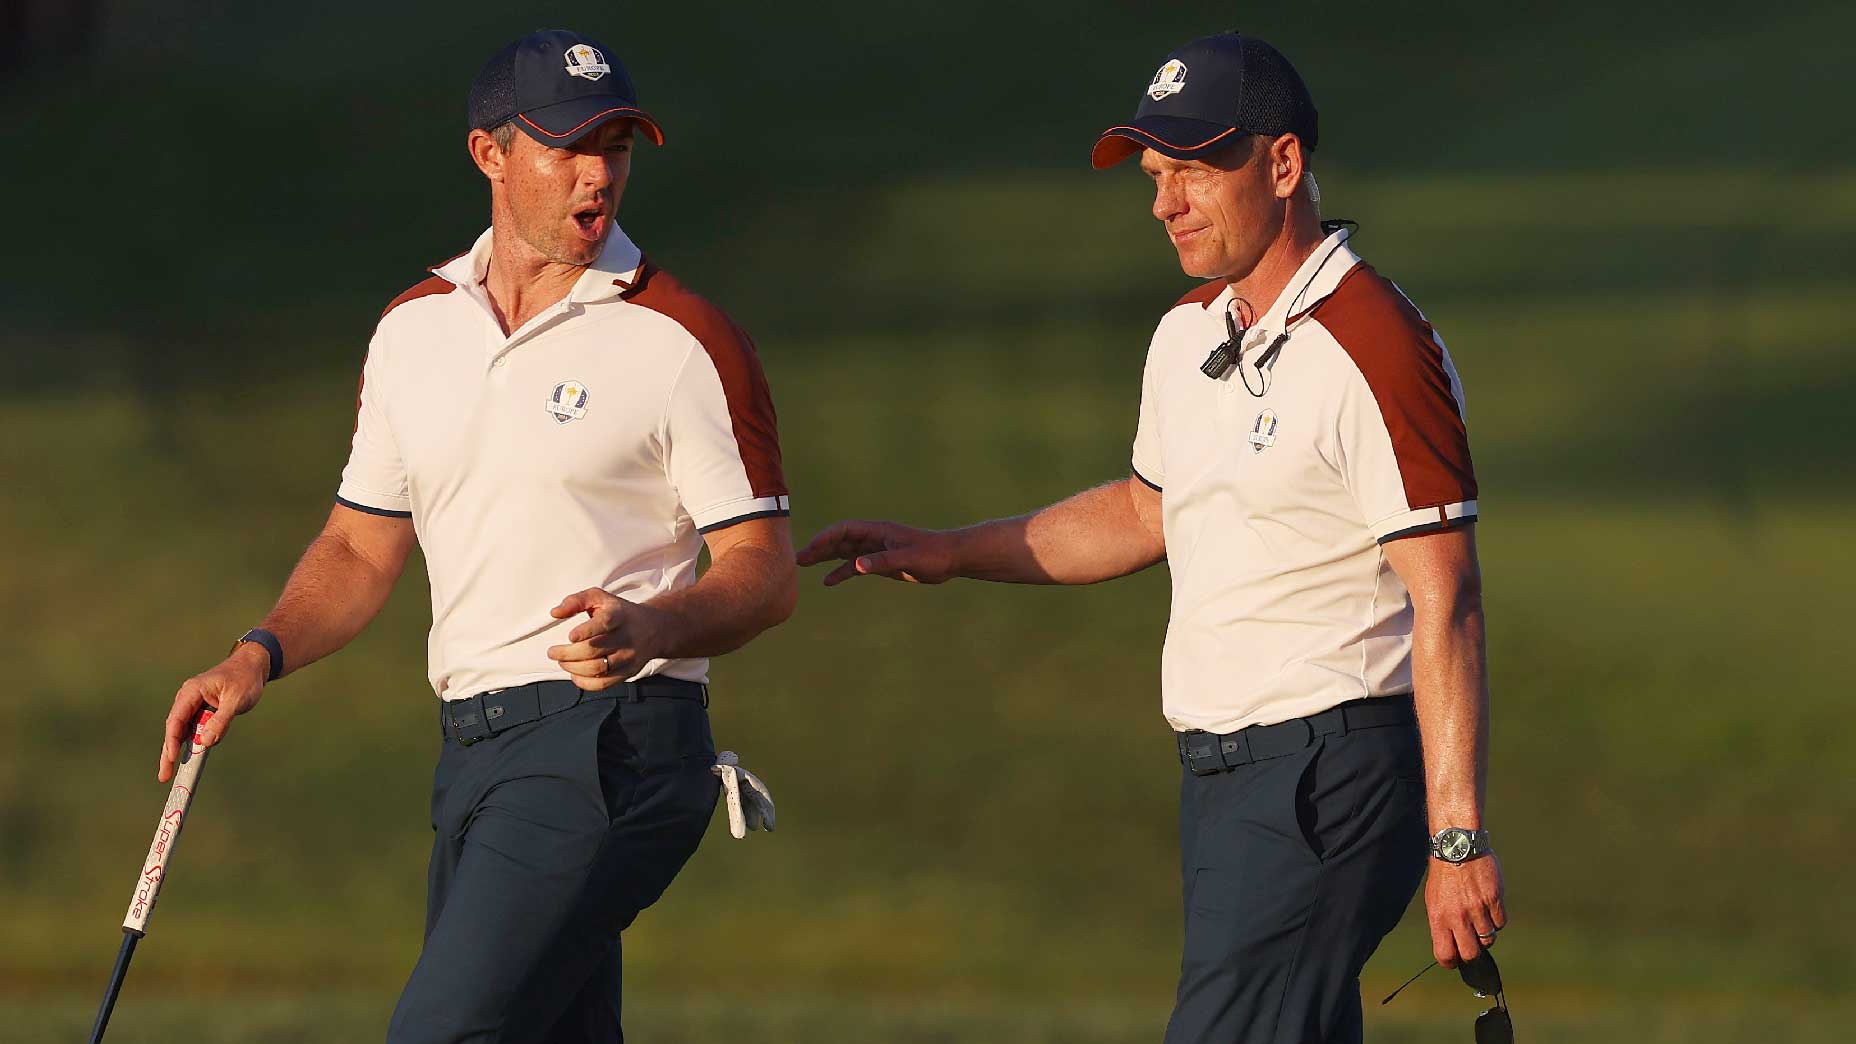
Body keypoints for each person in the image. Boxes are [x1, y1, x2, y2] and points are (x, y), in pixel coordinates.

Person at [797, 31, 1504, 1043]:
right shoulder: (1190, 331)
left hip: (1328, 777)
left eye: (1194, 171)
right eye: (1155, 176)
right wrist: (951, 551)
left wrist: (1457, 837)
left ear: (1282, 165)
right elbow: (1142, 513)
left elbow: (1446, 595)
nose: (1165, 203)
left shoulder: (1375, 345)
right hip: (1225, 781)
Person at [155, 28, 796, 1043]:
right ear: (489, 154)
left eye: (616, 147)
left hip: (610, 743)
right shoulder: (414, 329)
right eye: (569, 146)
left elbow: (763, 573)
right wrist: (255, 655)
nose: (599, 174)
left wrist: (655, 625)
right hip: (472, 756)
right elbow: (358, 548)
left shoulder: (683, 338)